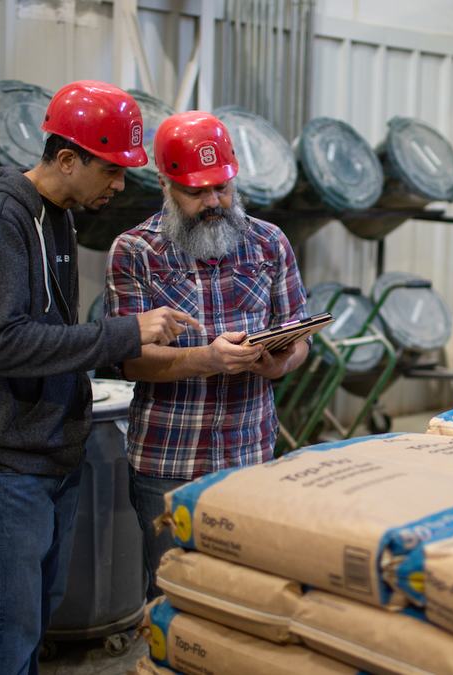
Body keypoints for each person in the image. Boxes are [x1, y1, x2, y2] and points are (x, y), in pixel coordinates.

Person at [0, 80, 199, 674]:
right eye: (110, 171)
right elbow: (3, 344)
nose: (118, 185)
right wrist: (125, 333)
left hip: (47, 452)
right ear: (65, 159)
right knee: (8, 631)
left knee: (33, 621)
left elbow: (49, 334)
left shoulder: (56, 217)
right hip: (2, 460)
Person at [105, 111, 310, 599]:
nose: (213, 202)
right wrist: (209, 360)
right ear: (165, 184)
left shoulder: (269, 243)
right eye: (196, 192)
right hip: (168, 459)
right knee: (174, 594)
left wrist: (278, 362)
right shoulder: (135, 251)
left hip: (250, 453)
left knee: (243, 598)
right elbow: (131, 362)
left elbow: (300, 338)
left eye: (222, 188)